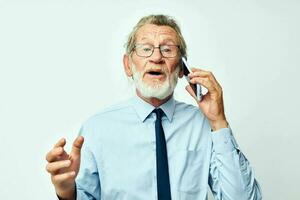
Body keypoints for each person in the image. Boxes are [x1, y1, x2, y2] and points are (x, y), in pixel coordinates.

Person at [45, 14, 262, 200]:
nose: (156, 57)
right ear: (128, 65)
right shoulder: (97, 128)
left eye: (167, 50)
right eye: (146, 49)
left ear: (181, 68)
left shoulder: (204, 125)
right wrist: (67, 192)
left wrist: (219, 121)